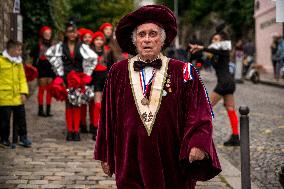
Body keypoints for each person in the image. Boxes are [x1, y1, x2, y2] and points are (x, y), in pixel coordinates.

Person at [94, 5, 221, 189]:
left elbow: (200, 111)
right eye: (141, 34)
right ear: (134, 40)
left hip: (172, 161)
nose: (147, 40)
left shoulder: (185, 71)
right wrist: (106, 154)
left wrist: (198, 143)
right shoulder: (117, 72)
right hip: (129, 158)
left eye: (153, 34)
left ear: (162, 40)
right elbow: (107, 116)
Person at [46, 19, 97, 141]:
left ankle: (76, 131)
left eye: (74, 32)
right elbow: (49, 54)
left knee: (77, 103)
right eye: (69, 32)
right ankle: (70, 131)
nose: (72, 34)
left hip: (79, 79)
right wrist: (59, 72)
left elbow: (93, 58)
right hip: (66, 78)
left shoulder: (83, 47)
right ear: (66, 33)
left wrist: (86, 74)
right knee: (69, 103)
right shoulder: (60, 47)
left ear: (76, 33)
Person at [189, 26, 240, 146]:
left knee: (205, 108)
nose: (214, 41)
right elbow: (204, 55)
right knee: (230, 109)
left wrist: (201, 47)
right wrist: (196, 51)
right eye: (213, 40)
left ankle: (201, 137)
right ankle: (235, 136)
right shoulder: (214, 52)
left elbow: (215, 50)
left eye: (216, 39)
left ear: (222, 41)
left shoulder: (224, 49)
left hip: (224, 83)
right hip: (228, 83)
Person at [0, 40, 32, 148]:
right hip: (4, 96)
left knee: (21, 118)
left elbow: (22, 79)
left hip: (17, 96)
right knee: (5, 120)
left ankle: (23, 137)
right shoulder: (1, 60)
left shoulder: (19, 62)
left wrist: (23, 92)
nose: (20, 52)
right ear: (11, 49)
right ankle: (4, 139)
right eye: (18, 49)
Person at [31, 26, 55, 117]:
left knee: (50, 90)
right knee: (42, 89)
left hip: (50, 68)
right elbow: (32, 54)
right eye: (46, 33)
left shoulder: (53, 45)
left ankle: (48, 110)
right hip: (42, 67)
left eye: (49, 33)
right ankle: (40, 110)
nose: (48, 35)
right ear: (42, 34)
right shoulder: (39, 44)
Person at [90, 31, 110, 140]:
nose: (99, 42)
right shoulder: (89, 52)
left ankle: (104, 128)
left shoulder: (107, 51)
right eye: (97, 39)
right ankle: (95, 128)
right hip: (95, 79)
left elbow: (111, 65)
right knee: (97, 104)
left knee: (105, 105)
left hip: (106, 78)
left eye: (101, 40)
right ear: (94, 41)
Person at [77, 28, 94, 133]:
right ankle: (82, 123)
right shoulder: (79, 49)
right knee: (83, 102)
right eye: (85, 37)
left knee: (92, 101)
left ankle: (93, 123)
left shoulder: (94, 49)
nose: (88, 39)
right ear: (82, 38)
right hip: (82, 77)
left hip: (93, 78)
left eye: (89, 37)